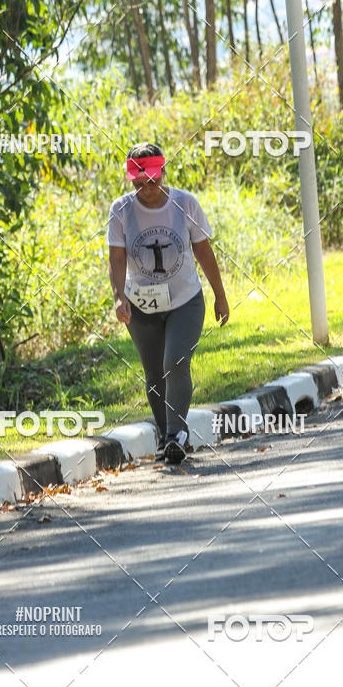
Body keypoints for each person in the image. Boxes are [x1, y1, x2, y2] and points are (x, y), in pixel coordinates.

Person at [107, 143, 229, 465]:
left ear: (163, 171)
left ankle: (177, 433)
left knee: (175, 361)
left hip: (184, 300)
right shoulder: (120, 210)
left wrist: (220, 294)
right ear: (131, 178)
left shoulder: (185, 203)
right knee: (154, 374)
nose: (147, 185)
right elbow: (117, 258)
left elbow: (203, 251)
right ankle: (166, 438)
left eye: (152, 177)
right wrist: (119, 296)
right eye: (139, 179)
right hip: (141, 305)